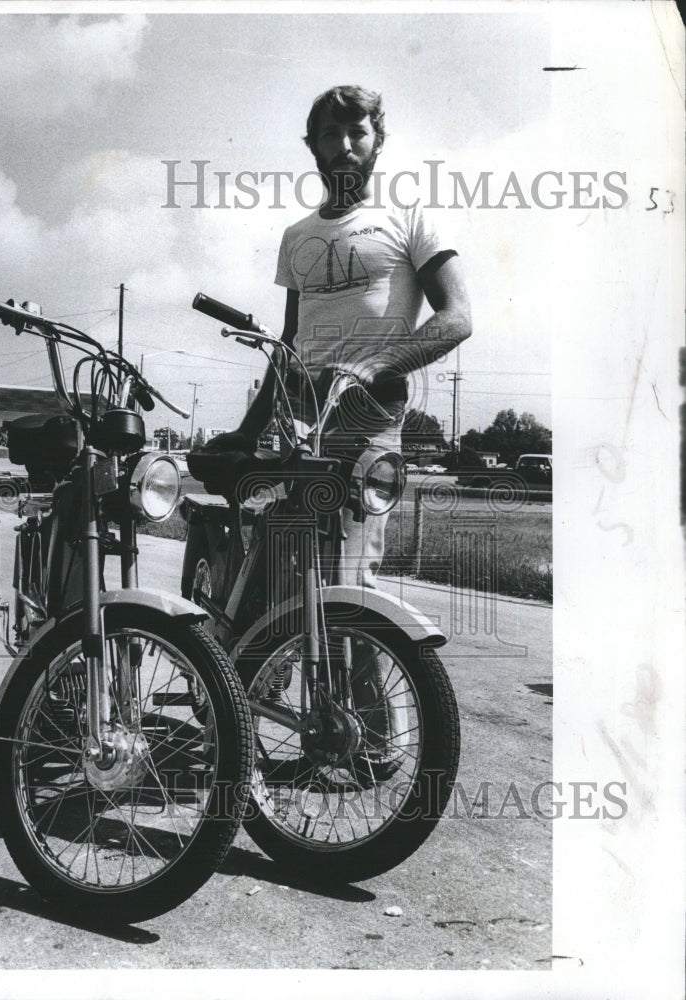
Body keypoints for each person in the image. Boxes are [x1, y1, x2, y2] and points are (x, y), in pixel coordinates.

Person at [210, 86, 472, 773]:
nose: (346, 146)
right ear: (315, 146)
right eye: (333, 134)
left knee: (343, 581)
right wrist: (245, 432)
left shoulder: (409, 219)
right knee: (272, 580)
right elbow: (289, 343)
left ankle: (370, 747)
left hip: (364, 423)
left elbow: (458, 318)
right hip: (295, 426)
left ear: (377, 141)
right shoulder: (298, 237)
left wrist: (374, 364)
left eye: (359, 133)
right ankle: (251, 728)